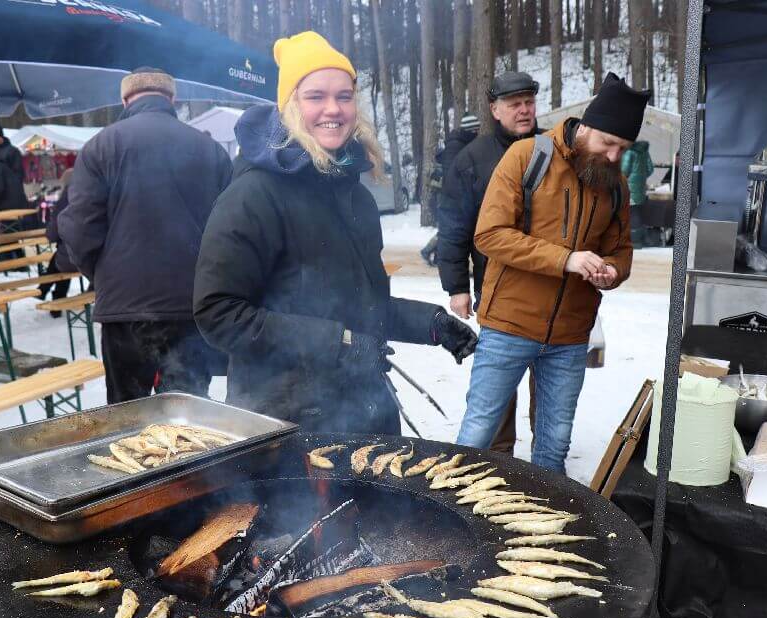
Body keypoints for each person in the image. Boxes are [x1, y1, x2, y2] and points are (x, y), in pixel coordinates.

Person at [193, 31, 478, 435]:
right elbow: (218, 314)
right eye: (315, 96)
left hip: (363, 410)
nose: (334, 108)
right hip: (287, 423)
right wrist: (338, 343)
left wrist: (429, 323)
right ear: (290, 104)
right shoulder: (253, 195)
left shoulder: (354, 194)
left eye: (344, 96)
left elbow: (359, 304)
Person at [456, 72, 646, 474]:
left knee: (554, 445)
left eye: (623, 148)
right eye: (608, 143)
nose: (614, 156)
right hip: (509, 325)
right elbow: (490, 235)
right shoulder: (528, 156)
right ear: (587, 126)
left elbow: (622, 252)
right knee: (477, 437)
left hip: (570, 338)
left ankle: (541, 525)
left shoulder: (616, 184)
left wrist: (612, 270)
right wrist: (566, 259)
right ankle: (448, 522)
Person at [59, 67, 233, 404]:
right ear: (172, 98)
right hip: (192, 304)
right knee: (189, 414)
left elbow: (79, 228)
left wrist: (104, 274)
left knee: (128, 414)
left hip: (126, 309)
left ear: (124, 99)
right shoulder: (210, 150)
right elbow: (228, 232)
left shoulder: (100, 146)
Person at [437, 71, 542, 455]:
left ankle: (543, 469)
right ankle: (499, 462)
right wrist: (457, 286)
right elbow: (453, 226)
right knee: (497, 388)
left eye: (529, 102)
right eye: (515, 104)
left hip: (552, 294)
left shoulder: (552, 150)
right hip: (496, 289)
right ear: (495, 110)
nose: (524, 110)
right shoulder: (473, 159)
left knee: (546, 389)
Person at [419, 112, 481, 267]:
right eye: (476, 131)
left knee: (451, 230)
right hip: (449, 197)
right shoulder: (456, 147)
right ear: (471, 131)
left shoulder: (461, 144)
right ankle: (430, 252)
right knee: (451, 230)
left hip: (452, 196)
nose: (478, 134)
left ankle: (436, 255)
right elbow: (452, 178)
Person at [0, 127, 29, 264]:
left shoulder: (12, 151)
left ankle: (12, 260)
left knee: (10, 229)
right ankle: (9, 259)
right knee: (4, 230)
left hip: (9, 197)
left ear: (0, 136)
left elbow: (18, 175)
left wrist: (12, 190)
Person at [39, 168, 79, 315]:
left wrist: (50, 236)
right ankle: (48, 292)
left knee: (61, 260)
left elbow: (56, 226)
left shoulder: (67, 197)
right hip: (91, 256)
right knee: (61, 259)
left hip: (74, 254)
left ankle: (44, 291)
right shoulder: (91, 193)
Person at [621, 139, 654, 247]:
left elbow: (624, 171)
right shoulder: (644, 152)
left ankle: (634, 241)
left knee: (631, 213)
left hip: (629, 187)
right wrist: (641, 178)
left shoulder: (629, 152)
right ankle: (639, 239)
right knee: (637, 212)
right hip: (640, 188)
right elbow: (650, 169)